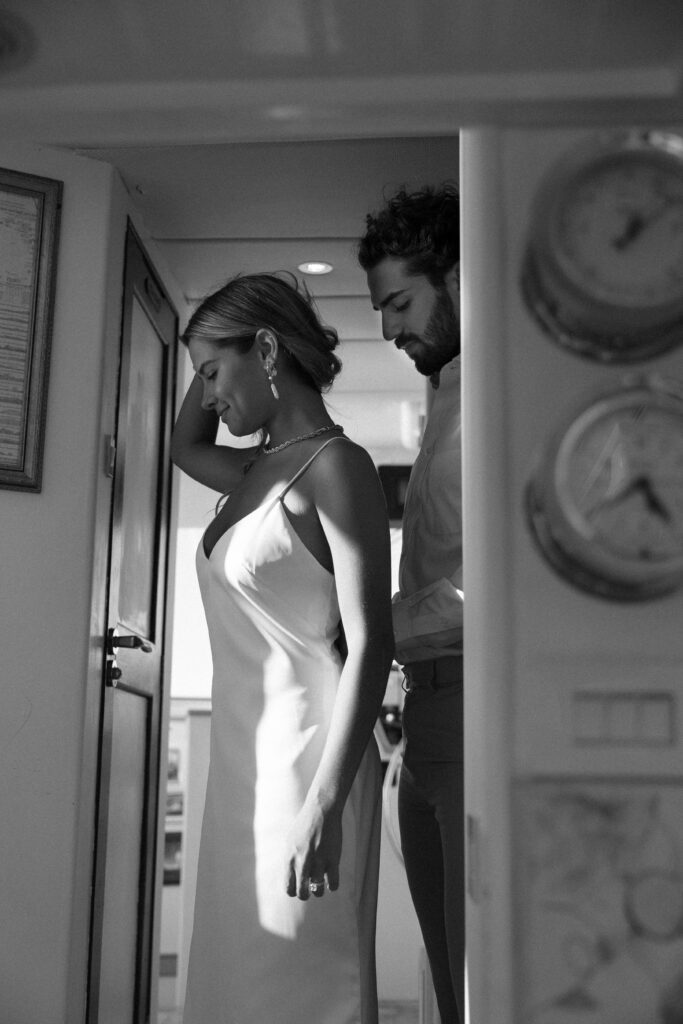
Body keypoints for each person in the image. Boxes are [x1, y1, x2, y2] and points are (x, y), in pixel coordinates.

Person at [171, 272, 394, 1024]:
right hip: (241, 772)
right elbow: (183, 442)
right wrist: (204, 335)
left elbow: (370, 643)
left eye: (211, 372)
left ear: (265, 348)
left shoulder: (335, 467)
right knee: (234, 983)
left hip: (308, 766)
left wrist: (323, 808)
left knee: (304, 983)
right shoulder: (250, 472)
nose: (206, 396)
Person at [358, 184, 465, 1024]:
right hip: (423, 718)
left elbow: (500, 592)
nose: (388, 328)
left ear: (457, 278)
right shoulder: (443, 402)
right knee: (446, 972)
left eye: (399, 302)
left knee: (481, 980)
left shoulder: (500, 403)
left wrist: (367, 630)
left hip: (470, 709)